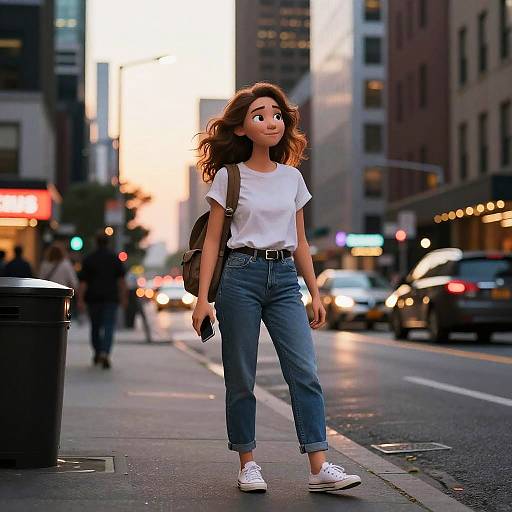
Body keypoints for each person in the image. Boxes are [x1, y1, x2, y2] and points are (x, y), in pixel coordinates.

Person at [192, 82, 362, 493]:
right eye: (260, 115)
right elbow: (213, 240)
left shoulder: (292, 179)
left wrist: (315, 292)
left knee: (305, 372)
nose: (272, 121)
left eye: (277, 115)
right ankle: (248, 462)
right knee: (241, 375)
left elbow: (300, 241)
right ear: (241, 129)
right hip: (240, 277)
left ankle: (319, 465)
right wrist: (202, 300)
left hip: (285, 279)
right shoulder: (230, 177)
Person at [78, 233, 127, 369]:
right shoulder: (114, 259)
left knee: (95, 327)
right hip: (111, 298)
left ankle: (97, 351)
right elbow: (121, 281)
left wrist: (80, 300)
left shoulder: (89, 259)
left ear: (96, 242)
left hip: (93, 299)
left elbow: (83, 282)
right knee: (109, 327)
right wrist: (123, 298)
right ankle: (105, 352)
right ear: (108, 243)